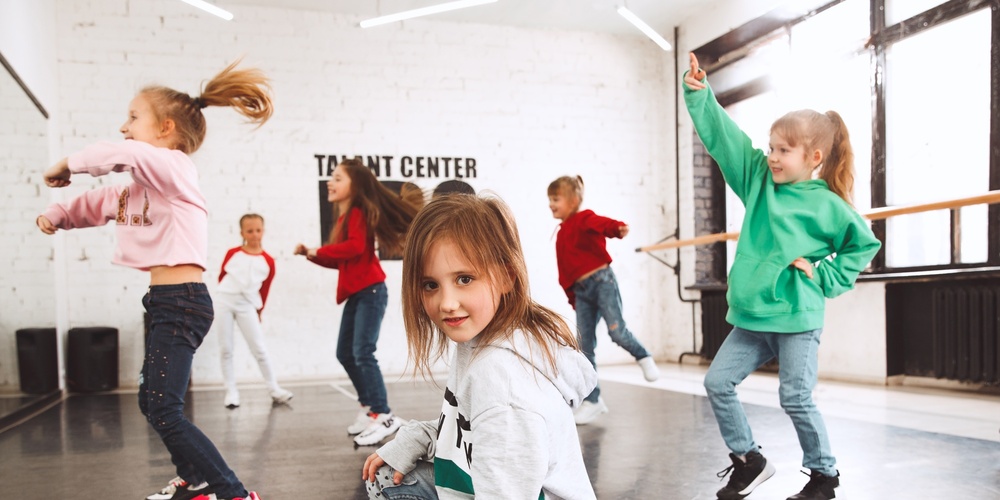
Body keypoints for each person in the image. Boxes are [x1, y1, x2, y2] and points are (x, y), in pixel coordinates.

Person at [36, 59, 272, 500]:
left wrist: (70, 161)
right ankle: (195, 478)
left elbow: (127, 154)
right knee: (153, 402)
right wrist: (58, 215)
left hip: (183, 300)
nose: (124, 127)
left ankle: (232, 492)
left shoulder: (175, 169)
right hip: (165, 302)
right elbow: (97, 202)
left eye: (132, 117)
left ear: (165, 129)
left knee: (163, 406)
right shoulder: (137, 188)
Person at [683, 53, 881, 500]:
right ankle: (749, 461)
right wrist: (700, 95)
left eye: (782, 150)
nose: (771, 156)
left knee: (795, 398)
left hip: (796, 318)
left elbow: (863, 244)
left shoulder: (828, 204)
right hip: (753, 318)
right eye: (770, 147)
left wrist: (824, 275)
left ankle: (824, 476)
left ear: (813, 157)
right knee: (718, 382)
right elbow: (723, 138)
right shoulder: (757, 179)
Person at [362, 193, 598, 500]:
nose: (446, 303)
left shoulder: (502, 386)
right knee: (387, 475)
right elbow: (473, 430)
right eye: (430, 284)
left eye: (464, 278)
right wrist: (420, 437)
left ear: (506, 277)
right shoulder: (483, 337)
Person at [293, 158, 419, 446]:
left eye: (337, 178)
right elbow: (345, 260)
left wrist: (316, 249)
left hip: (371, 291)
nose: (331, 182)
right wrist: (311, 254)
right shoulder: (346, 217)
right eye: (331, 177)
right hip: (360, 292)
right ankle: (368, 408)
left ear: (355, 185)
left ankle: (384, 414)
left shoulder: (359, 211)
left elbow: (354, 247)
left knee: (362, 352)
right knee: (345, 353)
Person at [547, 175, 660, 425]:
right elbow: (565, 271)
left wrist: (617, 228)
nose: (551, 205)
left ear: (573, 200)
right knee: (584, 345)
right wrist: (573, 298)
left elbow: (603, 225)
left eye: (556, 199)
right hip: (582, 292)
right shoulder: (562, 233)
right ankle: (593, 400)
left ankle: (643, 356)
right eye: (549, 200)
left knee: (617, 332)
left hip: (602, 282)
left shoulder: (583, 218)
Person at [216, 213, 294, 408]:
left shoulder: (267, 261)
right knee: (226, 348)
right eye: (249, 231)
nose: (254, 235)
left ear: (263, 231)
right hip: (225, 301)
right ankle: (231, 392)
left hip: (247, 305)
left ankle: (274, 388)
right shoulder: (233, 253)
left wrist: (259, 311)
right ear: (242, 232)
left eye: (258, 230)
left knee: (259, 349)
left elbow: (264, 289)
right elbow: (222, 276)